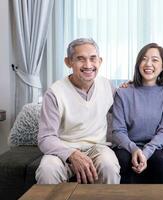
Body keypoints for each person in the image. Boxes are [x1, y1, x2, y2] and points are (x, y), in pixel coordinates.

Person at [36, 38, 120, 184]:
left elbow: (127, 111)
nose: (88, 65)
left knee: (109, 166)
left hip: (97, 148)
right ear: (68, 62)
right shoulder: (55, 92)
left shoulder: (108, 86)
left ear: (99, 61)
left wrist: (132, 87)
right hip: (63, 148)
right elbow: (46, 137)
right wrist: (71, 154)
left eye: (93, 59)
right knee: (47, 170)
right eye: (80, 59)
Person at [112, 43, 163, 183]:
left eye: (155, 60)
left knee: (160, 162)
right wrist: (134, 149)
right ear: (138, 64)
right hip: (126, 145)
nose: (148, 64)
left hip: (155, 147)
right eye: (144, 59)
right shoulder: (122, 93)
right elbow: (118, 131)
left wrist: (145, 153)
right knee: (122, 160)